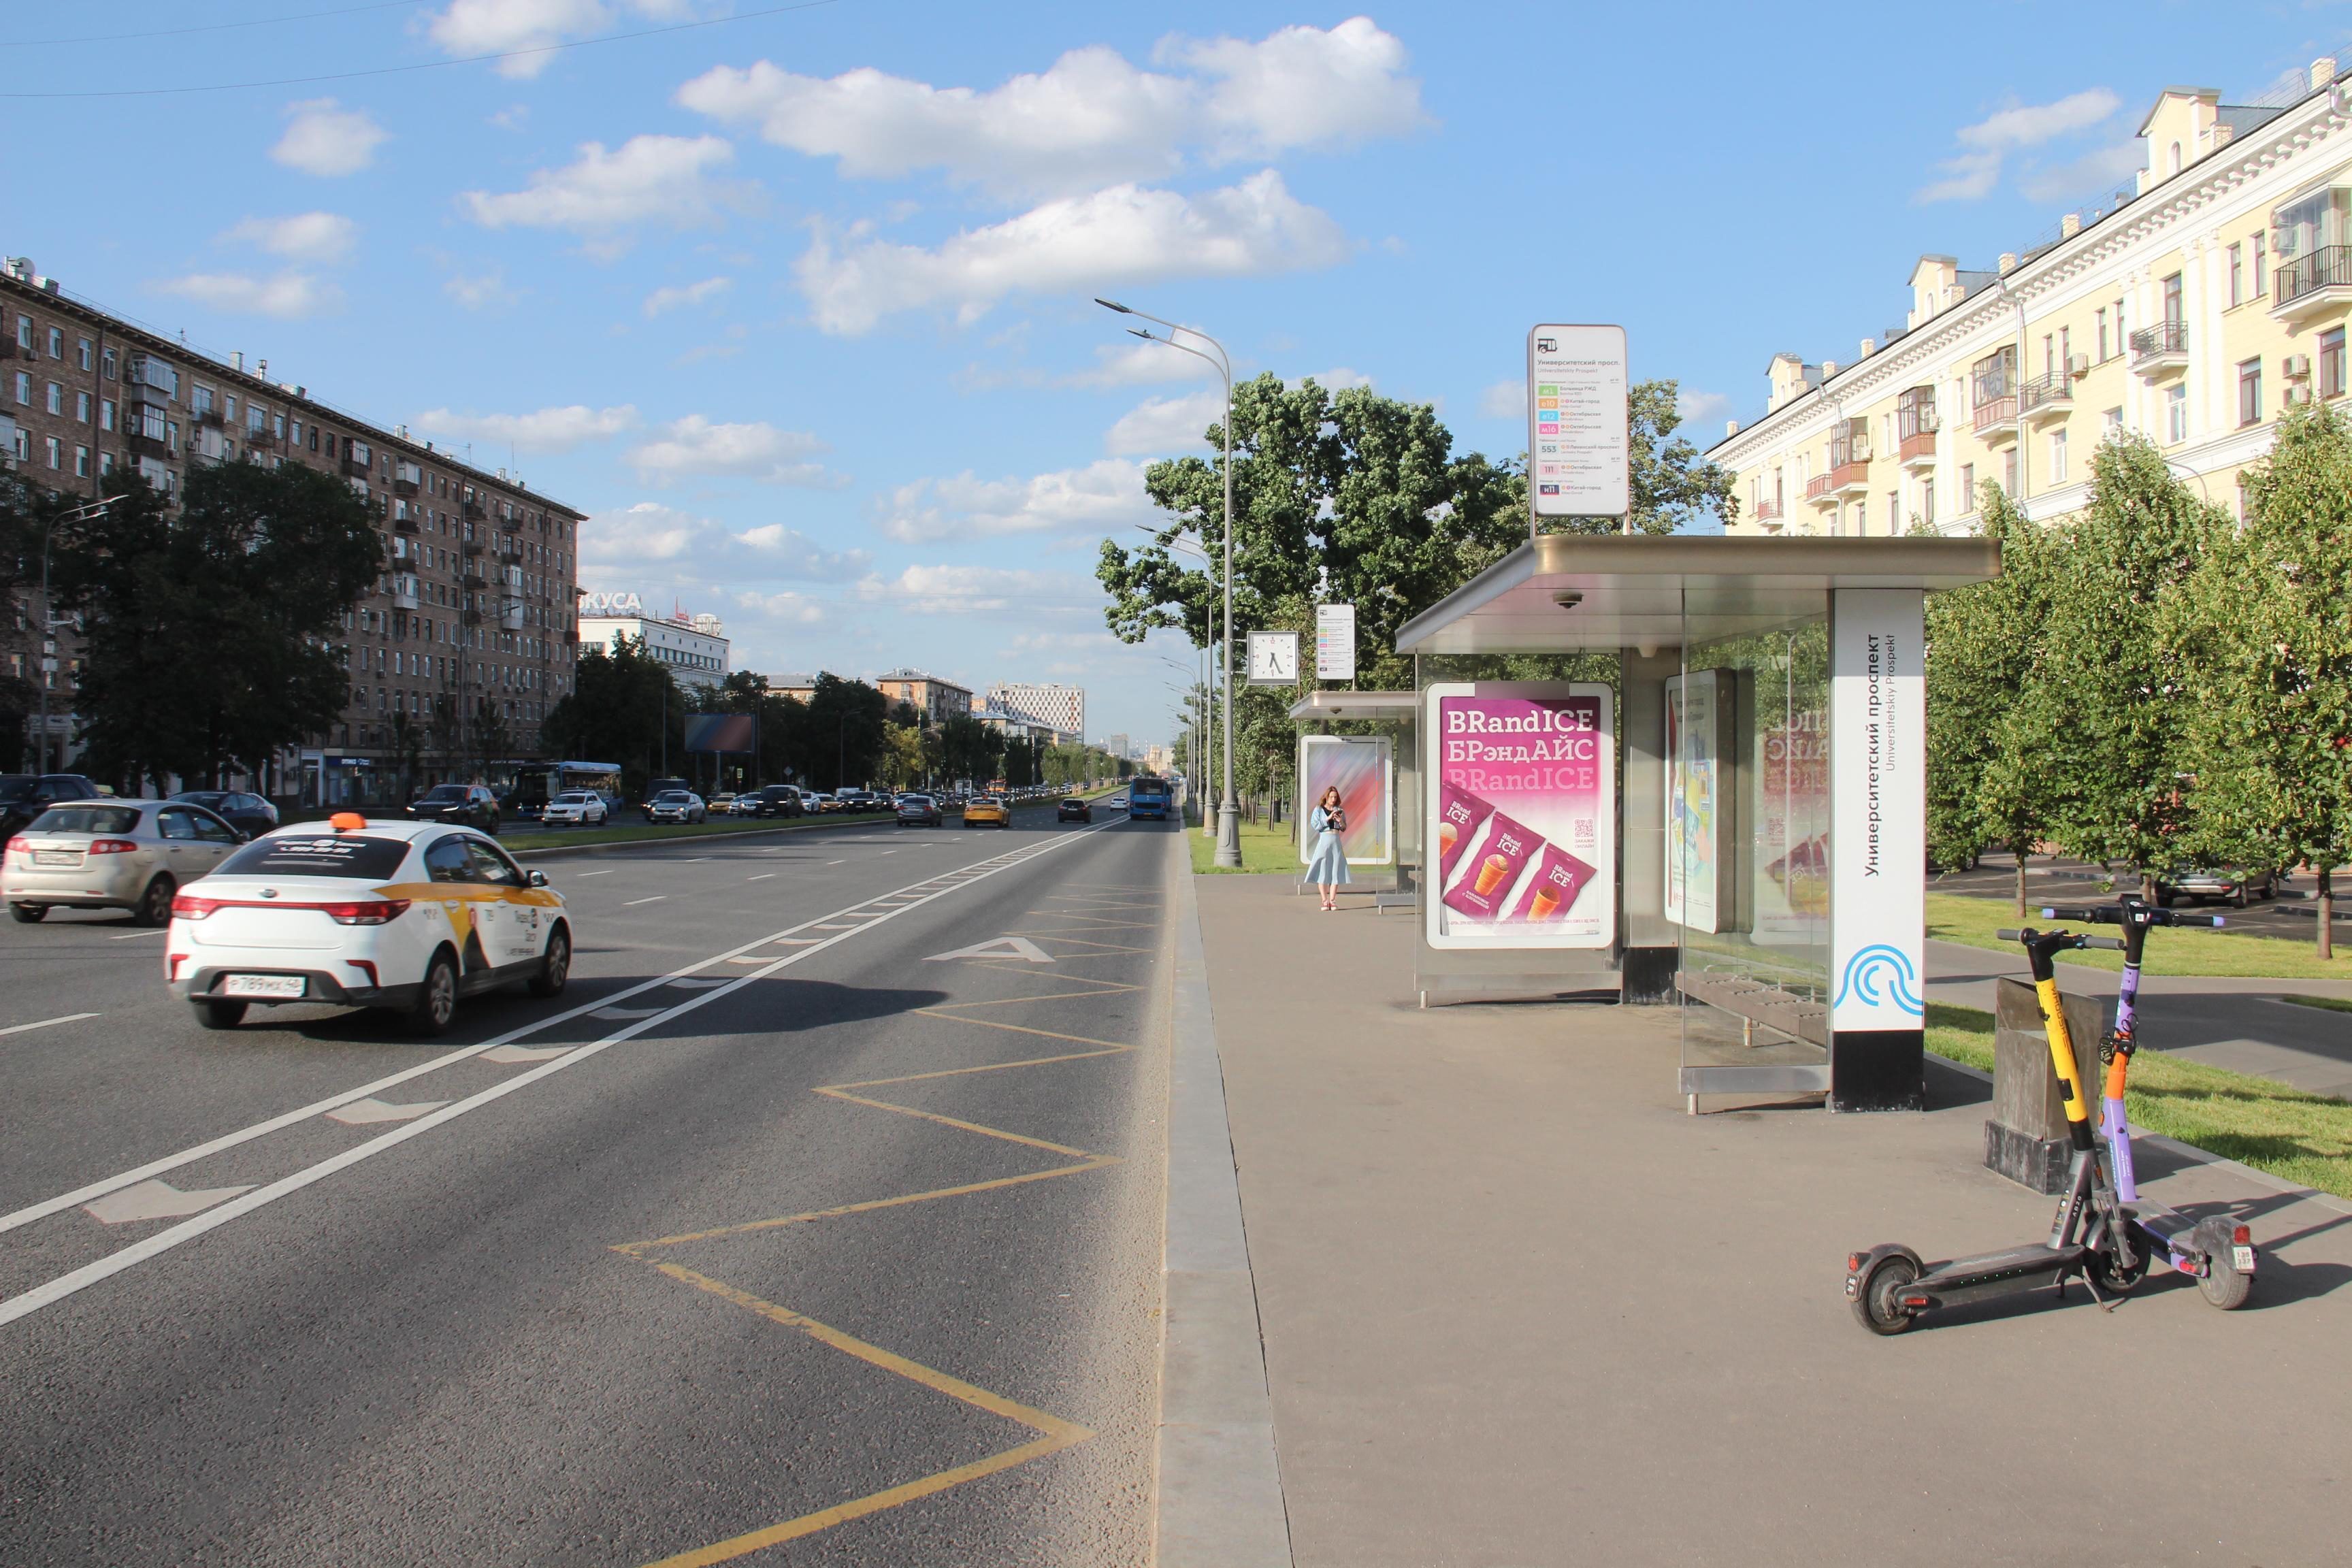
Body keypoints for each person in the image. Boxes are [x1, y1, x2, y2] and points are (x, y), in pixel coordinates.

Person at [1307, 785, 1352, 911]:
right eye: (1331, 797)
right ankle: (1324, 900)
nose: (1333, 799)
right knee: (1323, 869)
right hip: (1324, 840)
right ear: (1326, 797)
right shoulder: (1319, 809)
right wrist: (1328, 818)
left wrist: (1340, 821)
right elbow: (1316, 825)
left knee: (1335, 869)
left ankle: (1333, 900)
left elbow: (1343, 828)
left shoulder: (1339, 810)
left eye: (1335, 797)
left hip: (1336, 840)